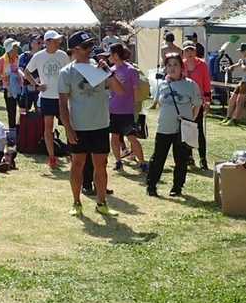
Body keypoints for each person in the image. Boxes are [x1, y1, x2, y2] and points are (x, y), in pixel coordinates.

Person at [58, 30, 124, 217]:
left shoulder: (100, 68)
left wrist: (109, 72)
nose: (90, 50)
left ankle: (101, 203)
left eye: (91, 45)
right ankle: (76, 203)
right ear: (75, 50)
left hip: (100, 125)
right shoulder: (66, 72)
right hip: (79, 127)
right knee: (77, 165)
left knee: (100, 165)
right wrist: (68, 129)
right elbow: (62, 104)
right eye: (86, 46)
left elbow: (120, 91)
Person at [147, 51, 199, 197]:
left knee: (181, 160)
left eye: (175, 64)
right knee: (158, 158)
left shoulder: (190, 85)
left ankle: (177, 187)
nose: (172, 68)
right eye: (169, 65)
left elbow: (197, 105)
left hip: (182, 129)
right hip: (164, 127)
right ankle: (151, 185)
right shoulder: (162, 84)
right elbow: (158, 103)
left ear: (181, 67)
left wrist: (189, 121)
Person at [25, 30, 71, 170]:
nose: (58, 43)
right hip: (47, 97)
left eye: (58, 41)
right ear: (47, 42)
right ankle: (52, 157)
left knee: (68, 126)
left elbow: (70, 72)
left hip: (62, 97)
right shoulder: (39, 56)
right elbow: (27, 72)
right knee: (48, 128)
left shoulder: (63, 55)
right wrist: (36, 85)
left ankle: (72, 153)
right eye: (55, 41)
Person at [106, 43, 146, 173]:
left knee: (132, 137)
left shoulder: (131, 70)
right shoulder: (110, 70)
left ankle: (142, 162)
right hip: (113, 110)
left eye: (110, 54)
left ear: (116, 55)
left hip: (127, 111)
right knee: (114, 137)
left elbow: (136, 90)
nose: (108, 57)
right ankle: (118, 161)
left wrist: (135, 109)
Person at [180, 39, 212, 170]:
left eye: (191, 50)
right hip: (184, 102)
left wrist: (207, 100)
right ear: (183, 52)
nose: (189, 53)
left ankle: (203, 159)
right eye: (187, 50)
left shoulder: (202, 65)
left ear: (195, 51)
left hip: (198, 101)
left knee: (199, 131)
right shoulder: (180, 65)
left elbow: (206, 82)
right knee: (186, 130)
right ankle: (189, 157)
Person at [0, 40, 23, 131]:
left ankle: (21, 127)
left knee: (23, 108)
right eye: (14, 47)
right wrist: (4, 76)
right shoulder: (2, 60)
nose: (16, 49)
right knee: (11, 111)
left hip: (20, 87)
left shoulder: (19, 58)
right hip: (8, 89)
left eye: (16, 47)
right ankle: (12, 130)